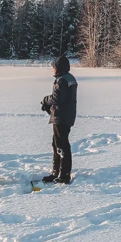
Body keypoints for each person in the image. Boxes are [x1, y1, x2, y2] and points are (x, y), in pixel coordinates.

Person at [41, 54, 77, 184]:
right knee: (57, 144)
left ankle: (64, 174)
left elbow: (57, 98)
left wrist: (46, 100)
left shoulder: (62, 80)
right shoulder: (69, 78)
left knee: (61, 145)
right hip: (65, 116)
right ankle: (56, 172)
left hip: (61, 117)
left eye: (53, 67)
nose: (52, 70)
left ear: (58, 68)